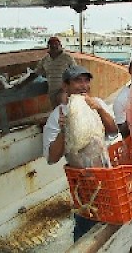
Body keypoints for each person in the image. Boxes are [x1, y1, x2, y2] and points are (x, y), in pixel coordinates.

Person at [42, 65, 118, 241]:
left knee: (112, 214)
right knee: (86, 220)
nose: (83, 85)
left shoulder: (97, 102)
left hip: (105, 172)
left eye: (86, 80)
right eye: (77, 80)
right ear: (65, 86)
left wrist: (99, 109)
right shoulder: (57, 115)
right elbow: (52, 158)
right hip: (83, 182)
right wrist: (64, 129)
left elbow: (113, 131)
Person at [18, 36, 77, 107]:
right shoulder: (45, 60)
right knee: (57, 111)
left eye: (56, 44)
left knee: (64, 109)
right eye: (51, 45)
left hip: (64, 90)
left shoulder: (68, 58)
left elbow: (75, 73)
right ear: (48, 47)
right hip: (52, 92)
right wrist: (22, 83)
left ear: (61, 46)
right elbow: (35, 74)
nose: (54, 46)